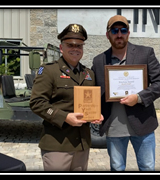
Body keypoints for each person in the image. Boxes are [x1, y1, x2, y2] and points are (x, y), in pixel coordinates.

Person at [91, 15, 160, 171]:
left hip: (142, 125)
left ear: (128, 32)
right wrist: (93, 112)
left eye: (123, 30)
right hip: (113, 127)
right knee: (117, 168)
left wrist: (139, 98)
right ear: (108, 34)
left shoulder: (145, 53)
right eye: (114, 30)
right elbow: (94, 91)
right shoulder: (99, 61)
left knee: (147, 167)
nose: (119, 34)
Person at [30, 23, 103, 171]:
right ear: (61, 47)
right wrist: (64, 117)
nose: (75, 49)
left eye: (79, 45)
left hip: (82, 143)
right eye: (70, 45)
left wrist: (96, 114)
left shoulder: (88, 74)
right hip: (58, 143)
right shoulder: (49, 71)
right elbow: (37, 103)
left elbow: (90, 102)